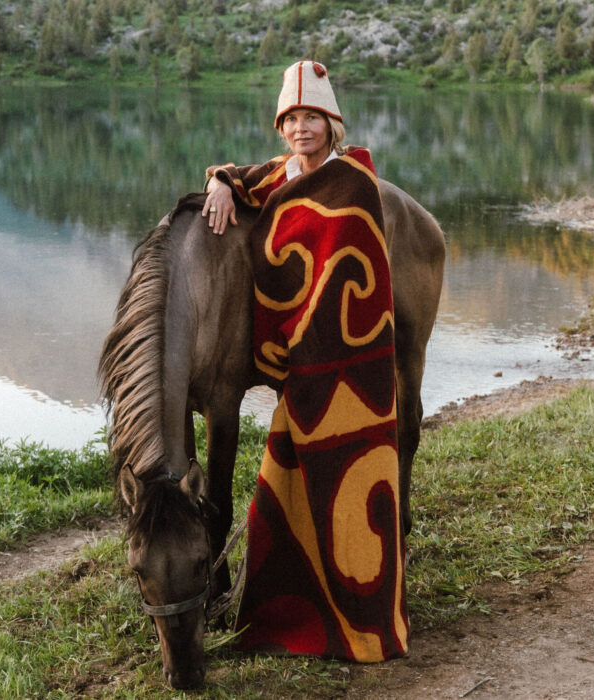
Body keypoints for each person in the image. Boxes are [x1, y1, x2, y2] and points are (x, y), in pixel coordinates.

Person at [202, 61, 408, 662]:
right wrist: (219, 181)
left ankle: (363, 624)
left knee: (347, 489)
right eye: (290, 119)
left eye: (311, 117)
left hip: (346, 368)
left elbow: (365, 286)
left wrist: (322, 355)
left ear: (331, 122)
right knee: (287, 487)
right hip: (299, 368)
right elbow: (241, 177)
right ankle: (288, 615)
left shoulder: (354, 186)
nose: (300, 128)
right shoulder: (280, 176)